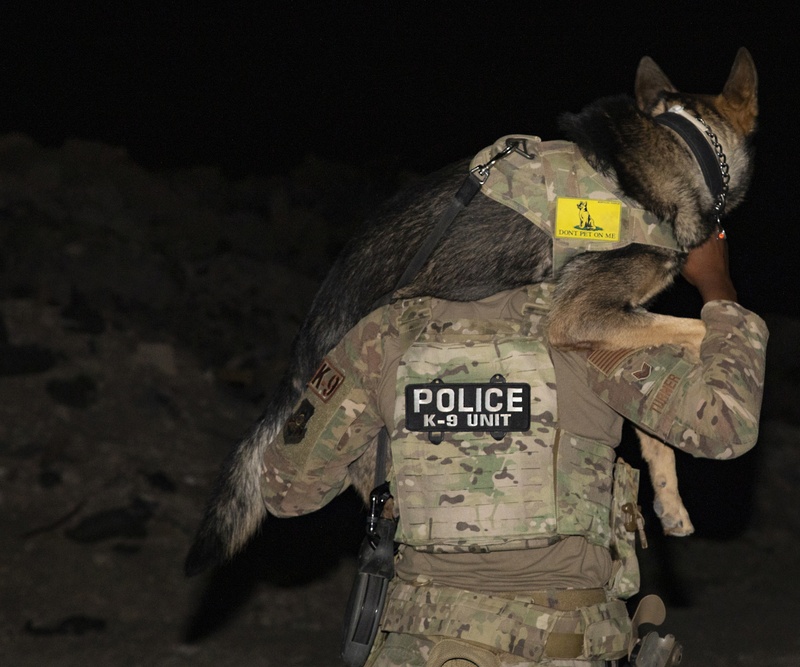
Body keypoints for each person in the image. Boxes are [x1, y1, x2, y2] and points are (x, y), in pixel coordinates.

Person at [260, 234, 768, 667]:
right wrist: (716, 286)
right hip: (568, 646)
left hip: (421, 644)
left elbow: (286, 493)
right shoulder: (594, 334)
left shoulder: (387, 334)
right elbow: (725, 427)